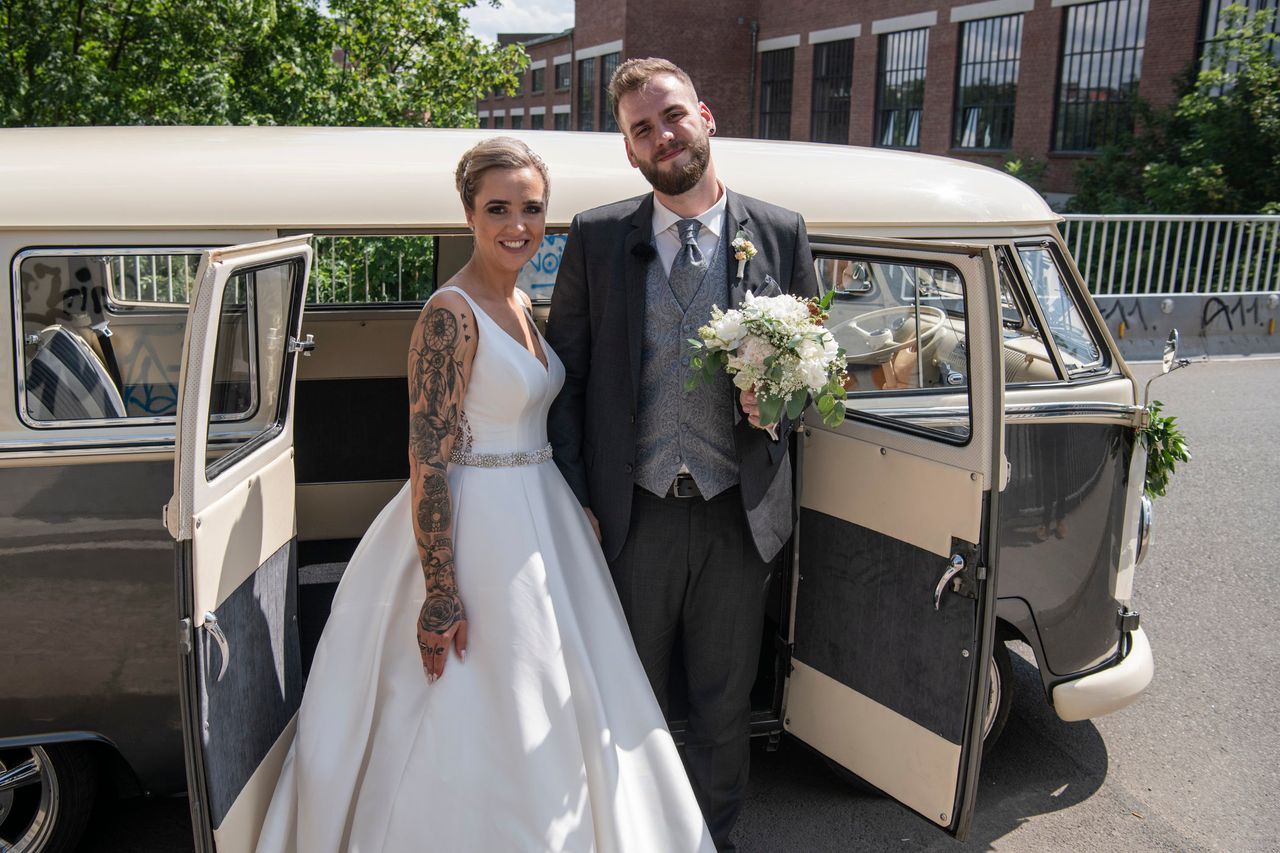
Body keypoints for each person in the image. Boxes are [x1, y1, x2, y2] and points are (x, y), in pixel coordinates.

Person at [256, 137, 714, 853]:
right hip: (478, 523)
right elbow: (427, 456)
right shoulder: (451, 312)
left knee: (562, 697)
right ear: (469, 212)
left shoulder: (522, 300)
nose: (518, 224)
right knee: (480, 703)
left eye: (532, 208)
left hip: (544, 513)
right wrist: (441, 588)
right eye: (498, 207)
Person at [545, 59, 819, 851]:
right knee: (624, 695)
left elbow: (815, 371)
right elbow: (567, 378)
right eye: (641, 129)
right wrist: (578, 499)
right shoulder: (599, 239)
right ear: (630, 152)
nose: (661, 135)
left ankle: (709, 838)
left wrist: (780, 406)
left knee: (723, 705)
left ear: (703, 115)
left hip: (740, 515)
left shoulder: (780, 231)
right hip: (633, 516)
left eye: (670, 116)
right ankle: (629, 834)